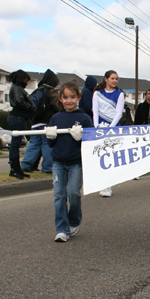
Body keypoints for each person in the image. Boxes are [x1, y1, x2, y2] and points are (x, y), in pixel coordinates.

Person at [45, 81, 93, 242]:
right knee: (59, 195)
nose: (69, 100)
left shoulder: (84, 118)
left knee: (73, 193)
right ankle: (61, 229)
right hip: (58, 162)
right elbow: (51, 144)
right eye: (65, 97)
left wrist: (82, 138)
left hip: (76, 163)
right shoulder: (56, 117)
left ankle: (74, 220)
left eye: (72, 97)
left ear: (78, 97)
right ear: (60, 99)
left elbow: (91, 143)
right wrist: (50, 136)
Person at [20, 69, 60, 175]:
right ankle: (47, 168)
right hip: (47, 123)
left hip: (35, 122)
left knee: (33, 144)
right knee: (47, 144)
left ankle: (26, 165)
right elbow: (56, 107)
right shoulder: (51, 92)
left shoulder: (37, 91)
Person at [93, 70, 125, 197]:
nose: (114, 81)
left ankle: (108, 186)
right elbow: (95, 111)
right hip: (100, 127)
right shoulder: (97, 94)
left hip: (113, 128)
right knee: (100, 156)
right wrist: (96, 127)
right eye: (112, 78)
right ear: (106, 79)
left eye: (116, 79)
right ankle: (103, 184)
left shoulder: (119, 94)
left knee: (110, 157)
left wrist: (110, 128)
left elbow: (118, 113)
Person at [6, 70, 34, 180]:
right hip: (18, 117)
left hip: (19, 116)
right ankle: (14, 169)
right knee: (15, 144)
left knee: (16, 143)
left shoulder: (16, 87)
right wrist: (30, 107)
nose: (26, 83)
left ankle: (16, 169)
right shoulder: (17, 88)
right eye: (25, 81)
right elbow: (19, 101)